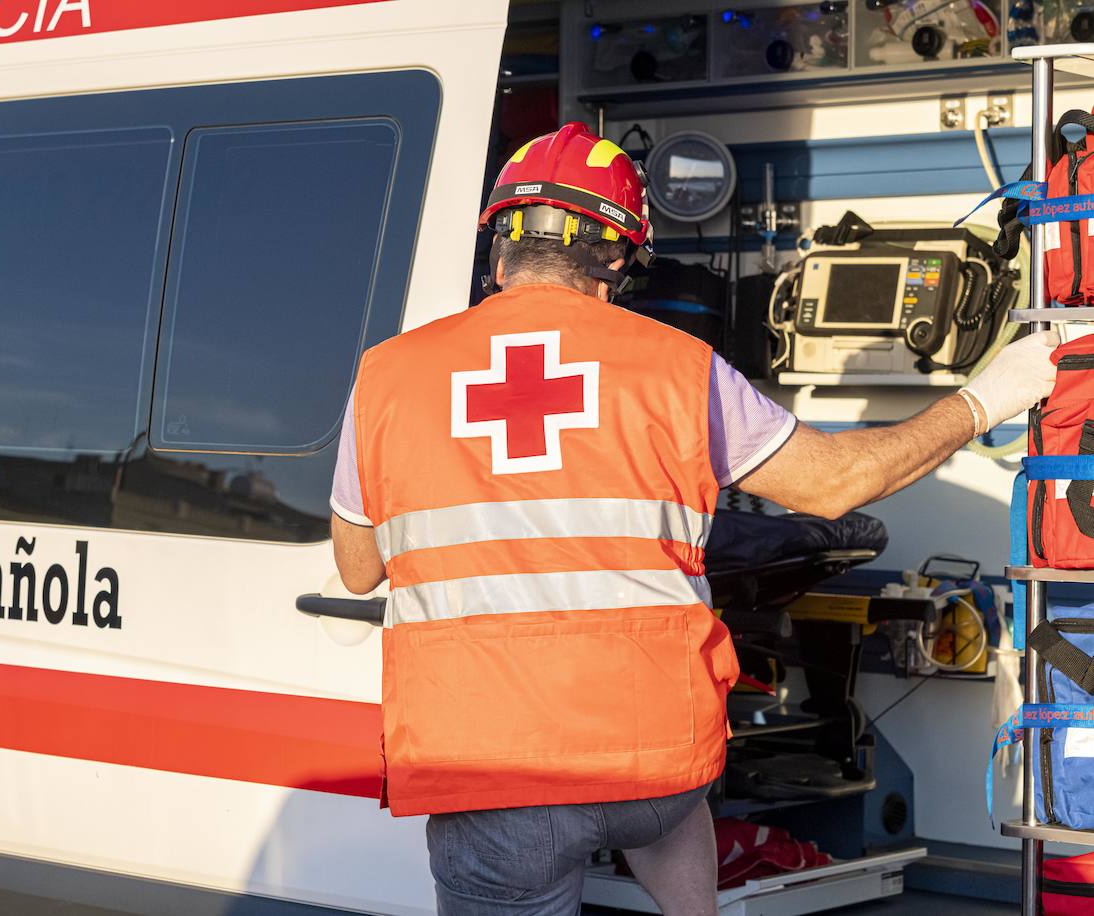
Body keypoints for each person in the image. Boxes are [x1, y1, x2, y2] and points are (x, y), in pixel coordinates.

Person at [328, 122, 1057, 915]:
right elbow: (839, 483)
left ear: (499, 246)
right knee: (671, 816)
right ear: (617, 257)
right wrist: (995, 392)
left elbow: (359, 567)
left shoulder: (388, 378)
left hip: (495, 765)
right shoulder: (675, 366)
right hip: (654, 765)